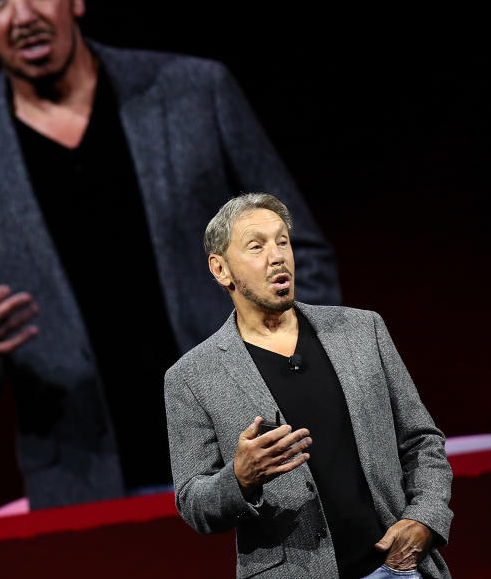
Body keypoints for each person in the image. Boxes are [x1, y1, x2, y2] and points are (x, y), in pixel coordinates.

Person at [0, 0, 341, 510]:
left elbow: (304, 253)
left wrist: (292, 365)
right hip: (86, 486)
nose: (22, 14)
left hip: (253, 449)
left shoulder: (195, 93)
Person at [164, 193, 452, 579]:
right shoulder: (192, 376)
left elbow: (422, 441)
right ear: (221, 269)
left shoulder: (363, 331)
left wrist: (425, 519)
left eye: (282, 241)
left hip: (397, 566)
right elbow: (193, 503)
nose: (278, 255)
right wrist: (240, 478)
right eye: (257, 246)